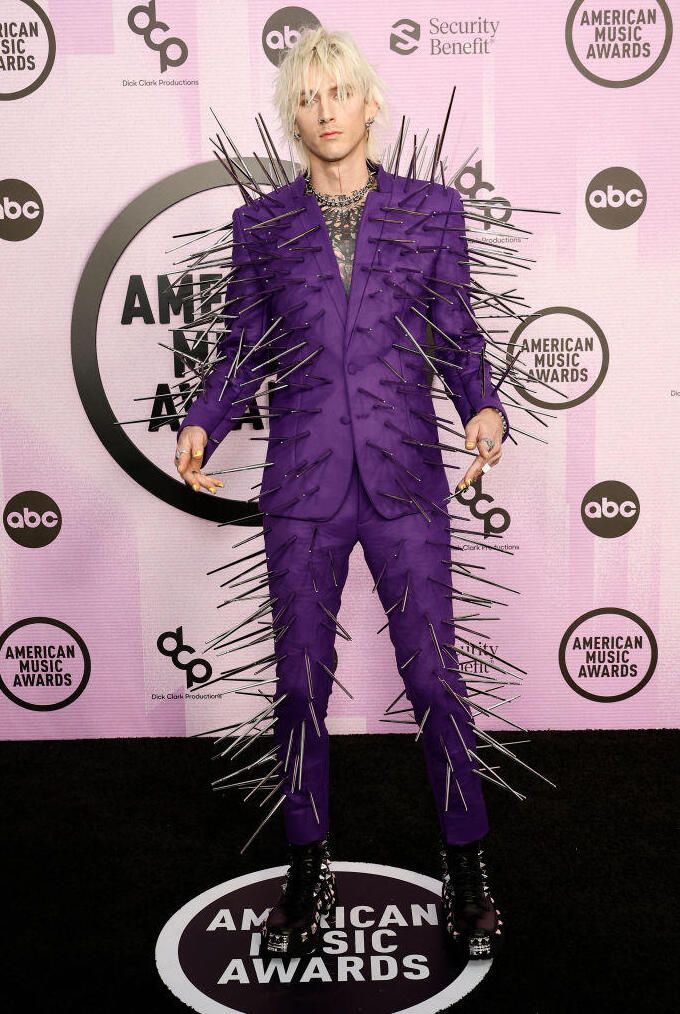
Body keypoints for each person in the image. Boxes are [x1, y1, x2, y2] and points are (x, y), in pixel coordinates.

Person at [174, 27, 508, 961]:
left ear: (369, 104)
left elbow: (457, 333)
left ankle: (468, 863)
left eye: (340, 94)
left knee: (435, 676)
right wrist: (206, 417)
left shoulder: (432, 211)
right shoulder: (262, 226)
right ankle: (307, 859)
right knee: (298, 684)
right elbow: (244, 348)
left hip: (405, 479)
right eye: (308, 98)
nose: (326, 111)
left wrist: (483, 409)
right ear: (295, 114)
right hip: (304, 485)